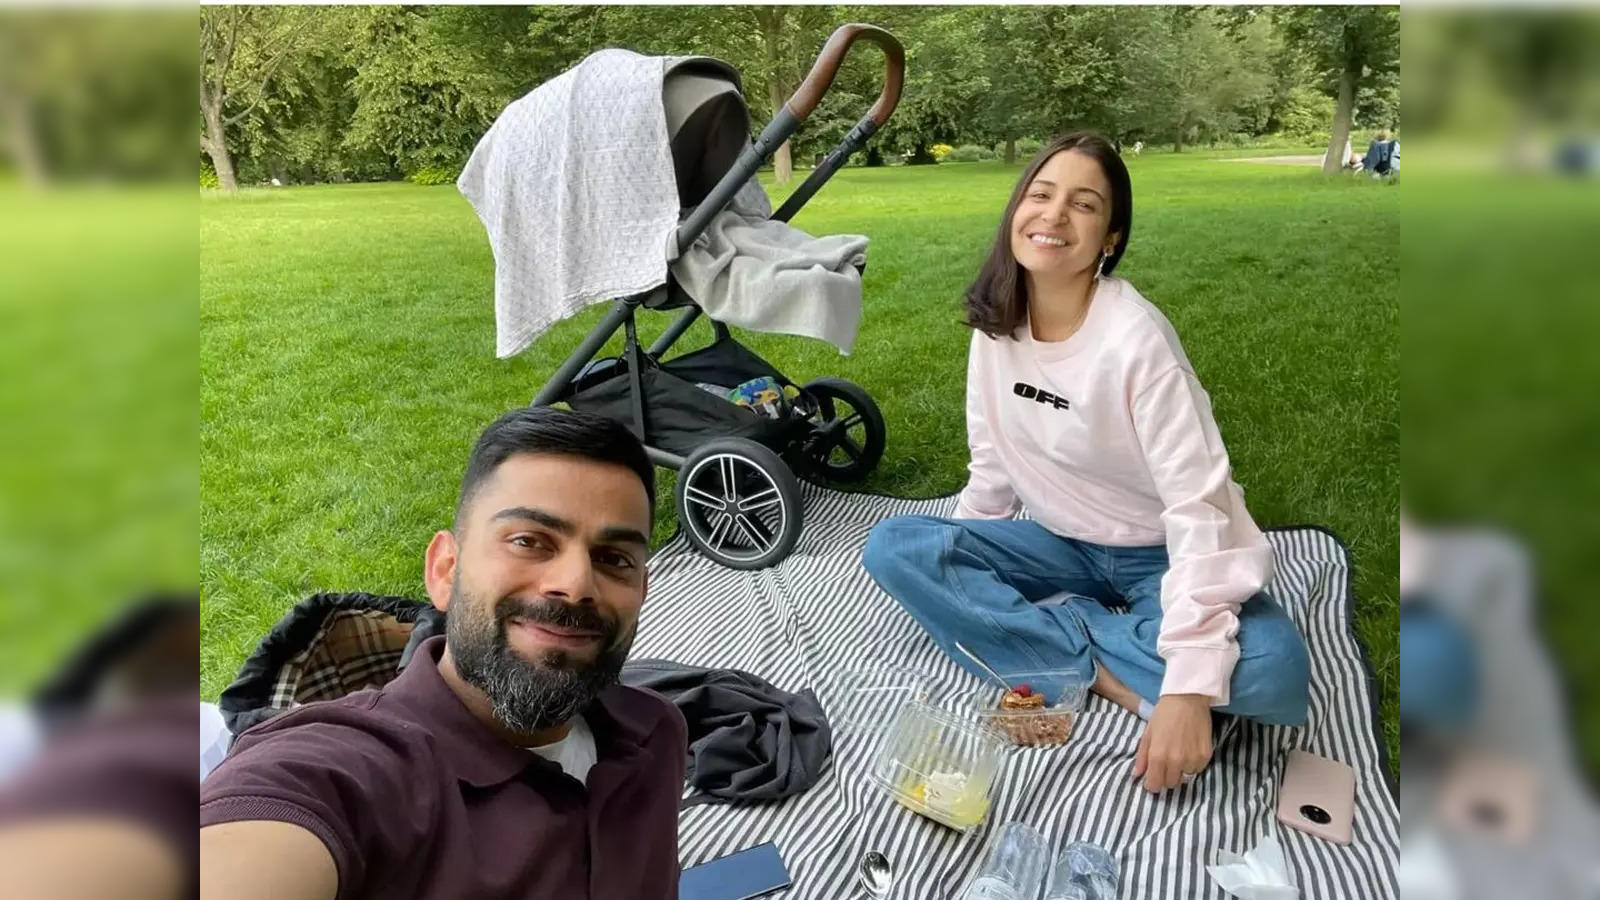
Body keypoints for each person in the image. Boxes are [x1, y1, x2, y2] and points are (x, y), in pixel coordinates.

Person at [862, 132, 1310, 794]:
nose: (1053, 216)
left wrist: (1187, 688)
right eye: (1040, 195)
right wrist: (960, 556)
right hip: (1058, 543)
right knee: (896, 545)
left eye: (1083, 204)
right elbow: (991, 463)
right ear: (1016, 209)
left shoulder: (1135, 339)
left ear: (1109, 237)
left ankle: (1067, 649)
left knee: (1272, 671)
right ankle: (1108, 668)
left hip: (1158, 554)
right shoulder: (996, 329)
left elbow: (1199, 503)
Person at [200, 407, 686, 899]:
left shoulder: (655, 734)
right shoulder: (347, 774)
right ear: (445, 570)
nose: (576, 584)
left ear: (642, 589)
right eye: (529, 541)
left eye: (614, 559)